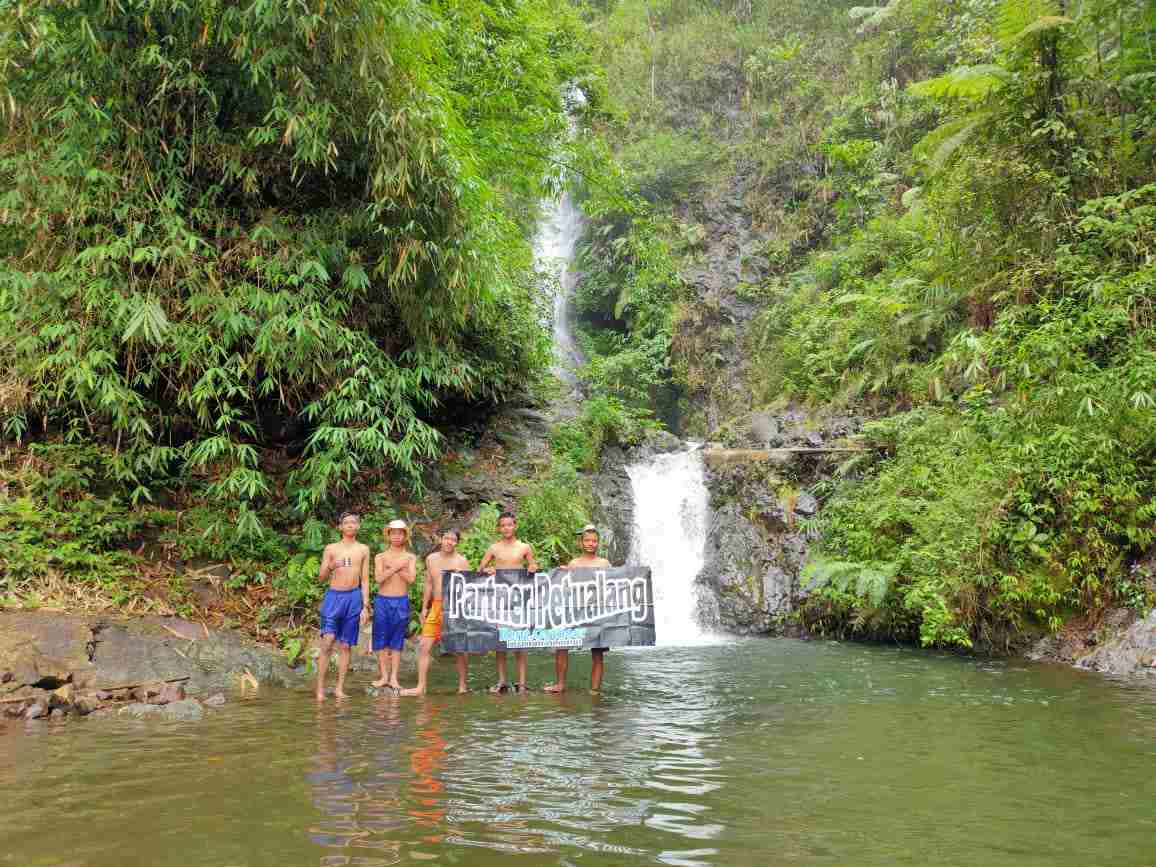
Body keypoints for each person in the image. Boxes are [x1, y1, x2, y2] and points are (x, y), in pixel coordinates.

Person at [401, 528, 471, 696]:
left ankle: (462, 686)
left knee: (460, 648)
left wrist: (460, 577)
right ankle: (421, 687)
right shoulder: (431, 559)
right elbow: (429, 583)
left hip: (455, 608)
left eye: (453, 539)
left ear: (457, 543)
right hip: (436, 606)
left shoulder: (462, 561)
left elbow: (470, 588)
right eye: (446, 538)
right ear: (440, 539)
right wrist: (425, 607)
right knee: (425, 646)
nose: (449, 542)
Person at [544, 525, 612, 694]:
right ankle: (560, 684)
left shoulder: (604, 563)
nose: (591, 544)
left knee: (597, 652)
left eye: (594, 541)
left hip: (597, 611)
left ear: (599, 544)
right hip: (576, 611)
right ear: (581, 543)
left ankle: (594, 689)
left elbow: (613, 585)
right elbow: (567, 588)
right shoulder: (574, 563)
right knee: (562, 645)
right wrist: (563, 574)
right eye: (587, 540)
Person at [479, 511, 538, 694]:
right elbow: (480, 568)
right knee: (501, 641)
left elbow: (533, 566)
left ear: (515, 525)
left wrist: (533, 567)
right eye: (503, 525)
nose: (506, 528)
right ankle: (502, 681)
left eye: (509, 524)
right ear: (499, 528)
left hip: (519, 598)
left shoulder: (524, 547)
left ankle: (521, 682)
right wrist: (486, 570)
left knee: (519, 641)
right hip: (499, 598)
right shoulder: (494, 548)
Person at [316, 512, 371, 701]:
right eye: (346, 523)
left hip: (354, 597)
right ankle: (320, 690)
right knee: (328, 640)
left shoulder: (363, 549)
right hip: (334, 596)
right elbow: (321, 577)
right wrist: (331, 565)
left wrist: (365, 605)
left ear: (358, 526)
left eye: (353, 522)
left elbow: (364, 579)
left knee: (346, 645)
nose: (350, 525)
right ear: (340, 527)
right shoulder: (331, 548)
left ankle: (339, 688)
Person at [371, 519, 417, 692]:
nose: (397, 536)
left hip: (401, 601)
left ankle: (394, 678)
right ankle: (383, 676)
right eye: (393, 533)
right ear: (388, 535)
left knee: (397, 640)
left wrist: (394, 568)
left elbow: (411, 579)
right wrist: (397, 567)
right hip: (383, 600)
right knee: (381, 639)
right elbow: (379, 578)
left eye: (400, 533)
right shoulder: (380, 557)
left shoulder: (410, 557)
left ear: (405, 536)